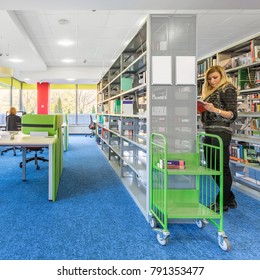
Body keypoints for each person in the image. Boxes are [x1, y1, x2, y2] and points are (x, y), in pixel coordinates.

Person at [200, 65, 238, 212]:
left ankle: (221, 202)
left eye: (215, 77)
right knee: (211, 166)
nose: (212, 81)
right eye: (209, 79)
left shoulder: (227, 89)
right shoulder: (210, 92)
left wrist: (215, 109)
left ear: (222, 76)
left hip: (221, 132)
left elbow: (233, 115)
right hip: (209, 131)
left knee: (222, 166)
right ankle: (229, 197)